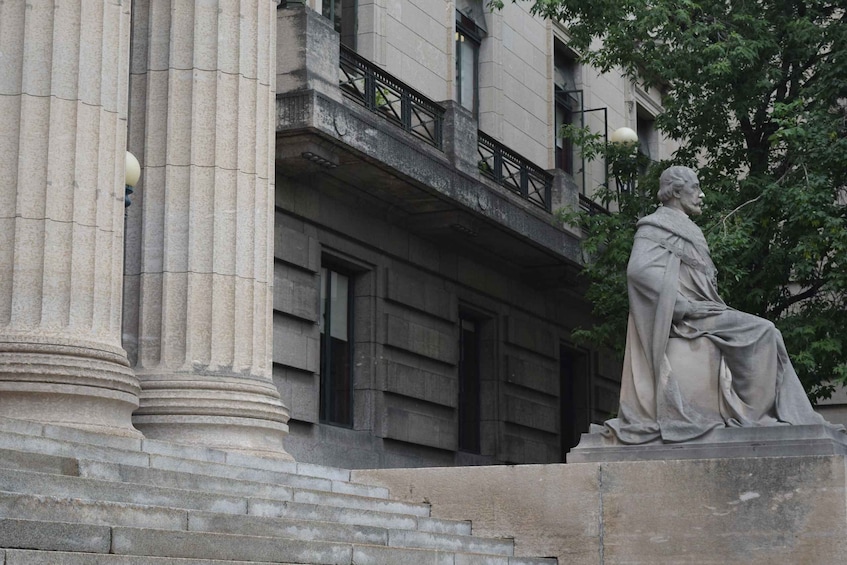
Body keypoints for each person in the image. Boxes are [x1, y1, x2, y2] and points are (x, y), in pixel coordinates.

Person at [604, 165, 836, 444]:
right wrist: (682, 307)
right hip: (689, 317)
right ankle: (755, 416)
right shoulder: (656, 225)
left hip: (705, 309)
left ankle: (770, 415)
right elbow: (638, 271)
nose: (702, 196)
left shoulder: (683, 226)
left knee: (769, 332)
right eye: (696, 188)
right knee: (763, 330)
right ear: (676, 192)